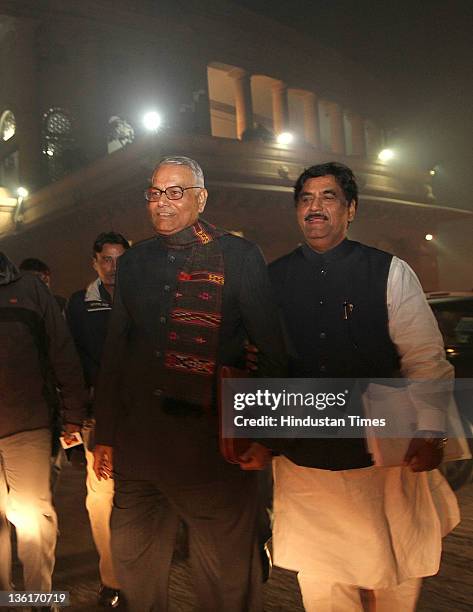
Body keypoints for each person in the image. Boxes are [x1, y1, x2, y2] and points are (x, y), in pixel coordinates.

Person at [93, 156, 286, 612]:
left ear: (201, 197)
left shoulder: (238, 256)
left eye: (175, 191)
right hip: (139, 451)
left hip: (209, 453)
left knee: (224, 581)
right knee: (136, 574)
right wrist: (105, 434)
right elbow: (116, 353)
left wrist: (265, 435)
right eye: (155, 193)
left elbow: (272, 350)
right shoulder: (135, 262)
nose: (163, 202)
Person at [264, 162, 460, 611]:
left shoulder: (388, 272)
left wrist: (432, 430)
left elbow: (425, 358)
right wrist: (258, 436)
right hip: (306, 460)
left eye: (328, 197)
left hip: (384, 457)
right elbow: (260, 365)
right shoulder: (272, 280)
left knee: (393, 575)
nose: (315, 207)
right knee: (324, 585)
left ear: (350, 210)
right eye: (306, 199)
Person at [0, 252, 85, 598]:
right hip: (26, 420)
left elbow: (62, 352)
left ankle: (38, 599)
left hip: (27, 424)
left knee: (33, 518)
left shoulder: (31, 290)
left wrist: (73, 415)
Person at [66, 231, 130, 608]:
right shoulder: (79, 305)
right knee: (102, 499)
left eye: (120, 259)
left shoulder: (141, 298)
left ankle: (138, 569)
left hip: (137, 416)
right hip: (96, 415)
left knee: (137, 495)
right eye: (106, 259)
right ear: (94, 262)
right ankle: (112, 579)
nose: (113, 267)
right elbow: (70, 359)